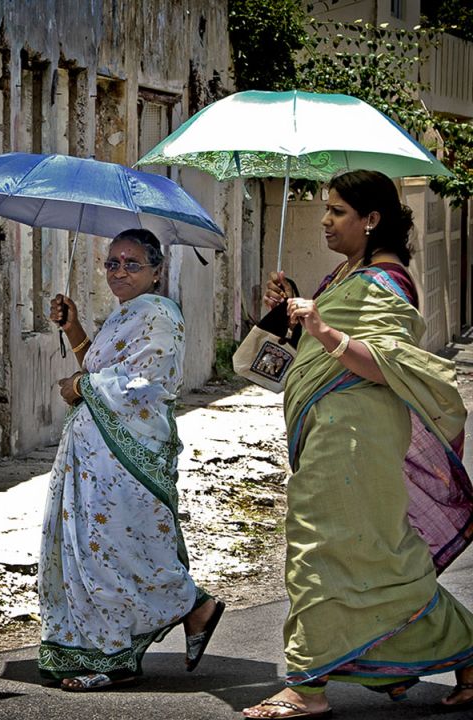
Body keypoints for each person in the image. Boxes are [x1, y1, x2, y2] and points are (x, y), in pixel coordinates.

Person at [243, 169, 473, 719]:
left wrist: (322, 330)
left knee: (323, 550)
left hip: (357, 438)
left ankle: (307, 687)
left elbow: (388, 362)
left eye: (337, 211)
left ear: (371, 220)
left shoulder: (388, 283)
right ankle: (464, 651)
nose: (324, 220)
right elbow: (314, 352)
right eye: (326, 208)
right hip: (327, 433)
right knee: (371, 559)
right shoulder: (349, 273)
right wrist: (294, 306)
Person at [40, 229, 224, 691]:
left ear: (157, 271)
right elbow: (100, 368)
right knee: (97, 547)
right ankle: (192, 608)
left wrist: (81, 388)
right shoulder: (127, 314)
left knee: (118, 549)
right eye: (112, 263)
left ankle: (116, 653)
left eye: (132, 263)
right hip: (94, 457)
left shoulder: (161, 314)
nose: (119, 271)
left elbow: (146, 383)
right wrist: (74, 328)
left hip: (128, 455)